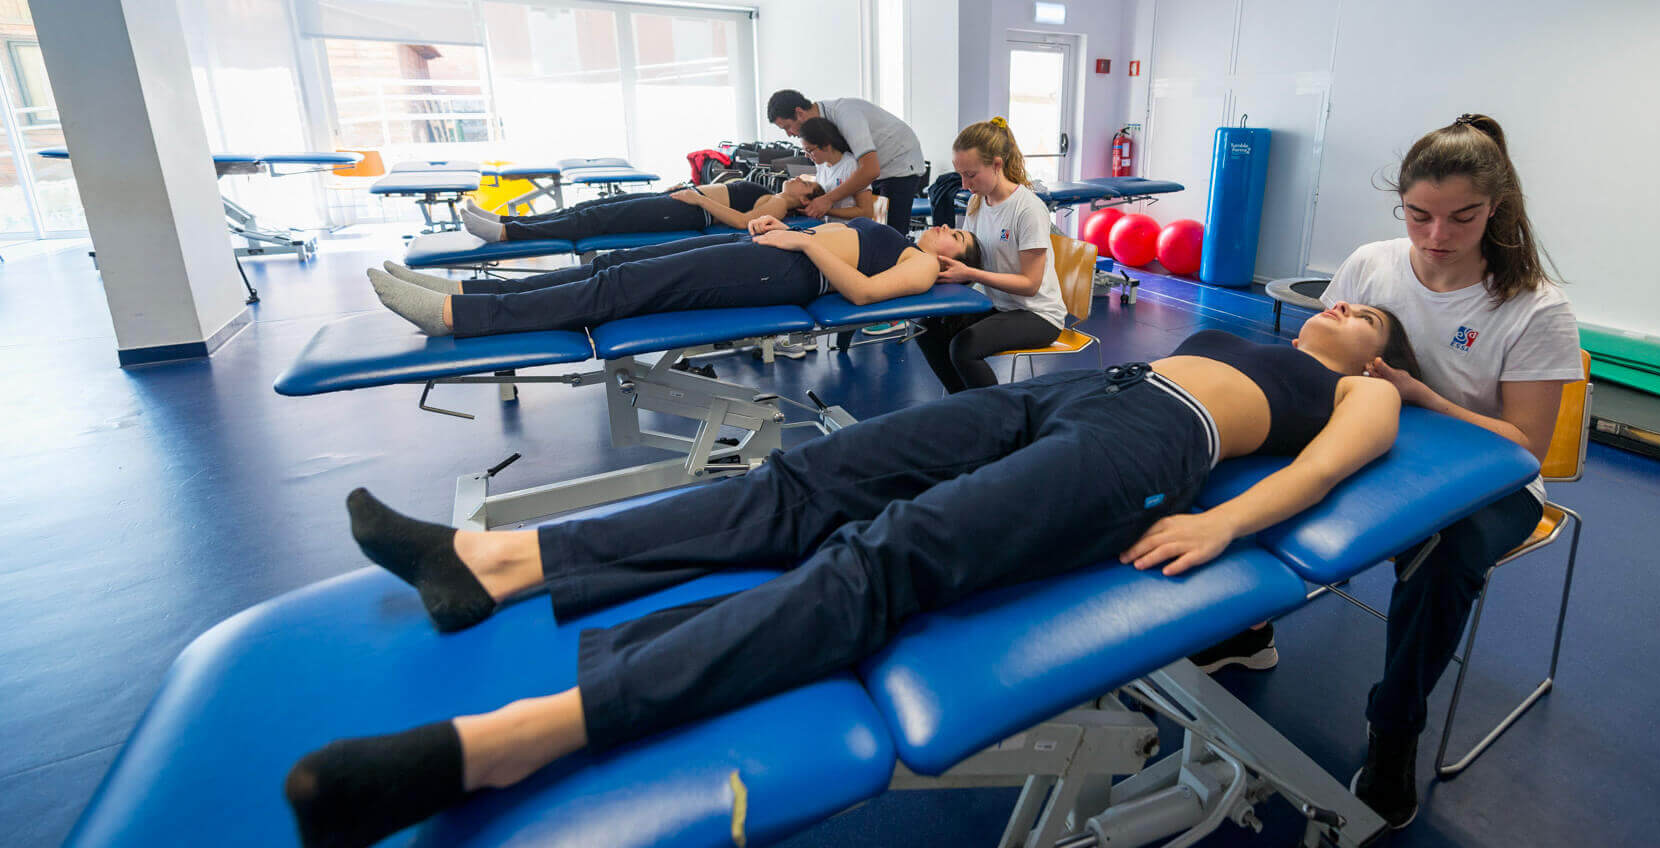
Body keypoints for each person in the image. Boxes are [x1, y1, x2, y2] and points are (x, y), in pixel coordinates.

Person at [282, 306, 1422, 848]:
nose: (1342, 306)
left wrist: (1230, 528)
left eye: (1366, 313)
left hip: (1152, 450)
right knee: (807, 481)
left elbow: (1325, 470)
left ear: (1378, 352)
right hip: (1076, 397)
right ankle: (498, 558)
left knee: (888, 559)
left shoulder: (1361, 389)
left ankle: (522, 736)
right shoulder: (1233, 328)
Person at [1196, 113, 1582, 832]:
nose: (1436, 237)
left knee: (1449, 548)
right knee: (1268, 470)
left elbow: (1527, 444)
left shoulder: (1533, 306)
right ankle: (1248, 629)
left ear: (1495, 208)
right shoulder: (1373, 264)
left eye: (1462, 217)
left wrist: (1425, 396)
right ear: (1400, 204)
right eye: (1419, 215)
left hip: (1490, 479)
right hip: (1378, 442)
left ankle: (1395, 726)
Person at [364, 216, 981, 338]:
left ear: (954, 261)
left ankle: (457, 319)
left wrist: (802, 242)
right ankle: (471, 290)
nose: (947, 230)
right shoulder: (899, 237)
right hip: (775, 254)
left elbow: (864, 292)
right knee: (615, 264)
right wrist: (779, 224)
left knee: (621, 291)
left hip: (782, 277)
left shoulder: (923, 264)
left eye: (958, 237)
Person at [915, 117, 1068, 392]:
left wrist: (969, 274)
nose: (964, 184)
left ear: (997, 164)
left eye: (971, 175)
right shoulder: (977, 201)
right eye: (960, 174)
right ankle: (964, 403)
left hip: (1037, 314)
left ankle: (996, 415)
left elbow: (1031, 285)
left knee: (964, 348)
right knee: (927, 330)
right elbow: (971, 256)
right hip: (999, 305)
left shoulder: (1027, 209)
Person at [455, 176, 828, 243]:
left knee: (595, 219)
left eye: (806, 184)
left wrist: (698, 199)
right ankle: (507, 219)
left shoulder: (781, 201)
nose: (799, 180)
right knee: (594, 207)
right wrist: (692, 189)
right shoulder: (775, 194)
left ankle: (508, 232)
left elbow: (745, 222)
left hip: (687, 212)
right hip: (684, 201)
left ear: (805, 200)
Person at [767, 90, 927, 234]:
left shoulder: (846, 115)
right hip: (872, 166)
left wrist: (827, 200)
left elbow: (870, 171)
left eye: (787, 127)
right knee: (874, 228)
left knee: (891, 234)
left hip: (899, 162)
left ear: (799, 113)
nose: (789, 134)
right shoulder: (820, 134)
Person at [793, 118, 877, 221]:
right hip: (830, 228)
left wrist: (826, 210)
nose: (806, 155)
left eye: (809, 150)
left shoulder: (851, 165)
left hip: (850, 230)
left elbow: (866, 213)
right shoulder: (821, 165)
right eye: (804, 151)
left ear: (826, 145)